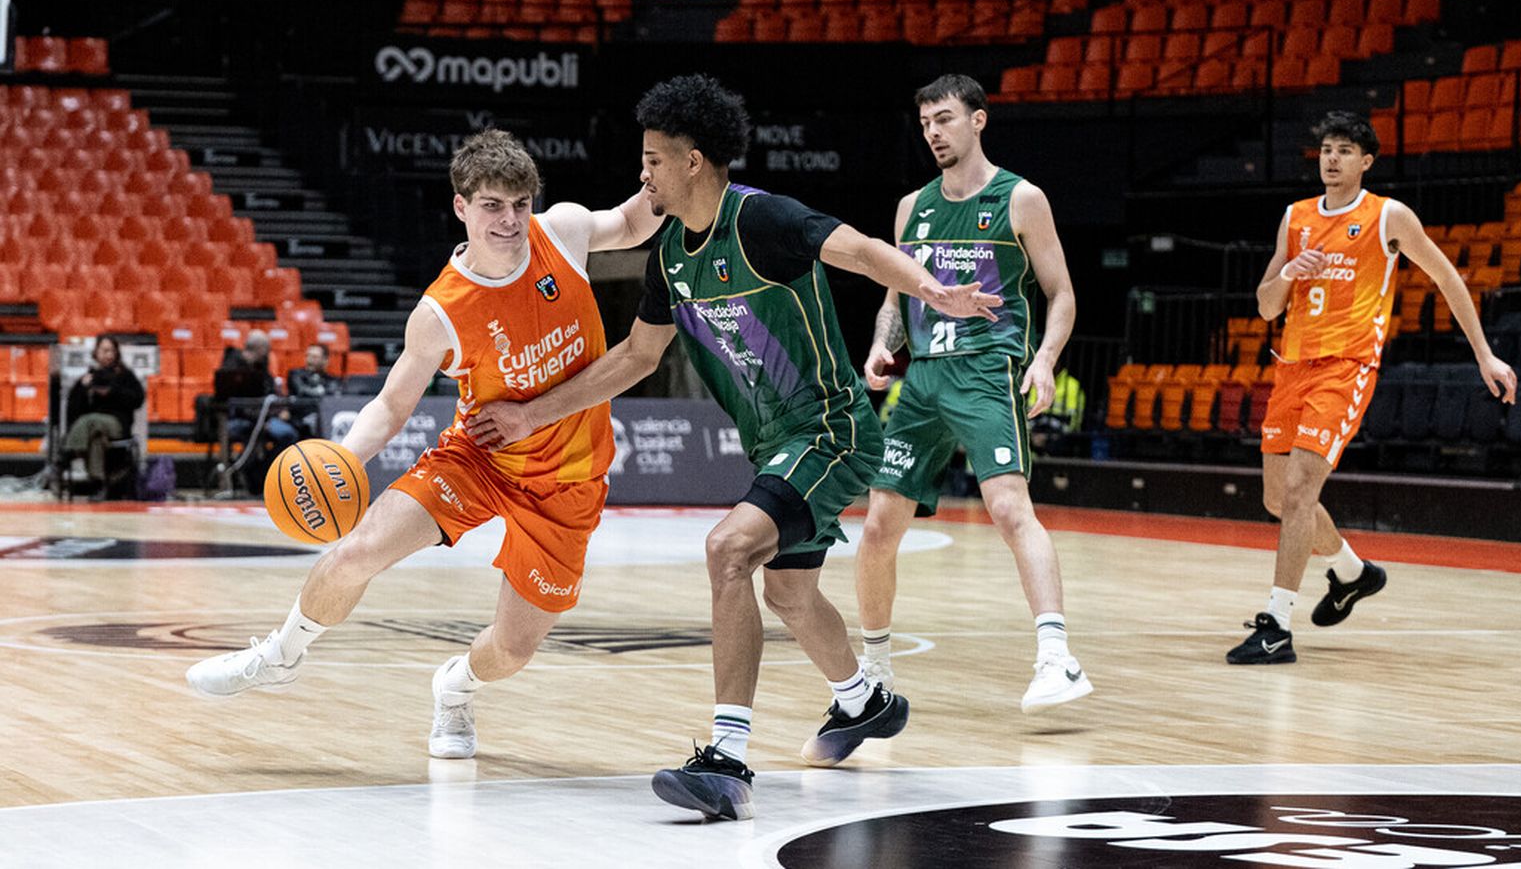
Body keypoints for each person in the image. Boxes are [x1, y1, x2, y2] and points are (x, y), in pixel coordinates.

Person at [468, 75, 1001, 822]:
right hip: (776, 443)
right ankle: (864, 702)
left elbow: (860, 248)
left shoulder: (763, 220)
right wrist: (532, 415)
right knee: (788, 592)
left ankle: (726, 757)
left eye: (654, 159)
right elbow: (632, 359)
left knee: (728, 550)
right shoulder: (670, 258)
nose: (643, 173)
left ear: (693, 163)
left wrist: (932, 290)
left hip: (830, 429)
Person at [187, 129, 662, 762]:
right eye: (493, 204)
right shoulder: (440, 312)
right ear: (462, 206)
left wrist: (671, 177)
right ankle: (280, 655)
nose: (510, 219)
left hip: (569, 481)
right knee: (357, 552)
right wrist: (345, 458)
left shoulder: (565, 232)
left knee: (512, 653)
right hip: (478, 459)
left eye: (520, 203)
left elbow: (631, 222)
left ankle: (455, 686)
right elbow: (390, 404)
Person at [1228, 110, 1517, 664]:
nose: (1331, 159)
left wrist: (1484, 354)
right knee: (1275, 496)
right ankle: (1351, 573)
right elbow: (1266, 307)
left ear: (1366, 162)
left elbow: (1446, 277)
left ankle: (1276, 626)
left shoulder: (1388, 217)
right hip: (1291, 365)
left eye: (1343, 150)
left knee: (1297, 494)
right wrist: (1288, 273)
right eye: (1326, 149)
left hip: (1346, 367)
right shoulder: (1296, 218)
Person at [854, 74, 1092, 714]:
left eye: (945, 118)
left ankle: (1056, 658)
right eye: (926, 121)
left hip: (989, 370)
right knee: (878, 524)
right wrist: (883, 343)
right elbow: (895, 299)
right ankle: (874, 669)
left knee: (1011, 507)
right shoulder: (911, 207)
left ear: (978, 120)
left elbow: (1061, 293)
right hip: (924, 377)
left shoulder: (1022, 198)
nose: (933, 131)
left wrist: (1043, 360)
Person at [61, 333, 145, 491]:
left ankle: (68, 452)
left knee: (91, 420)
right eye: (104, 350)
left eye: (111, 350)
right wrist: (82, 389)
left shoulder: (125, 375)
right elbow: (74, 409)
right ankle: (99, 483)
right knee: (96, 438)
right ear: (96, 353)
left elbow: (138, 400)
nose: (107, 354)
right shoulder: (89, 376)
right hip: (93, 429)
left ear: (116, 353)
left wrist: (112, 392)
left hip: (118, 424)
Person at [217, 330, 299, 483]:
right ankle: (243, 472)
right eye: (266, 349)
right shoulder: (231, 366)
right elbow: (225, 397)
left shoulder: (262, 366)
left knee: (288, 434)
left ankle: (266, 473)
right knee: (251, 435)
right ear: (261, 348)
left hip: (264, 418)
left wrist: (279, 410)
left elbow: (270, 393)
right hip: (238, 418)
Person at [286, 343, 342, 437]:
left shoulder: (332, 380)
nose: (310, 360)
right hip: (299, 420)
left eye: (315, 357)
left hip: (325, 419)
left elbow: (335, 394)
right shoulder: (296, 374)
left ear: (325, 360)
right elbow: (301, 390)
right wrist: (320, 392)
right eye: (308, 356)